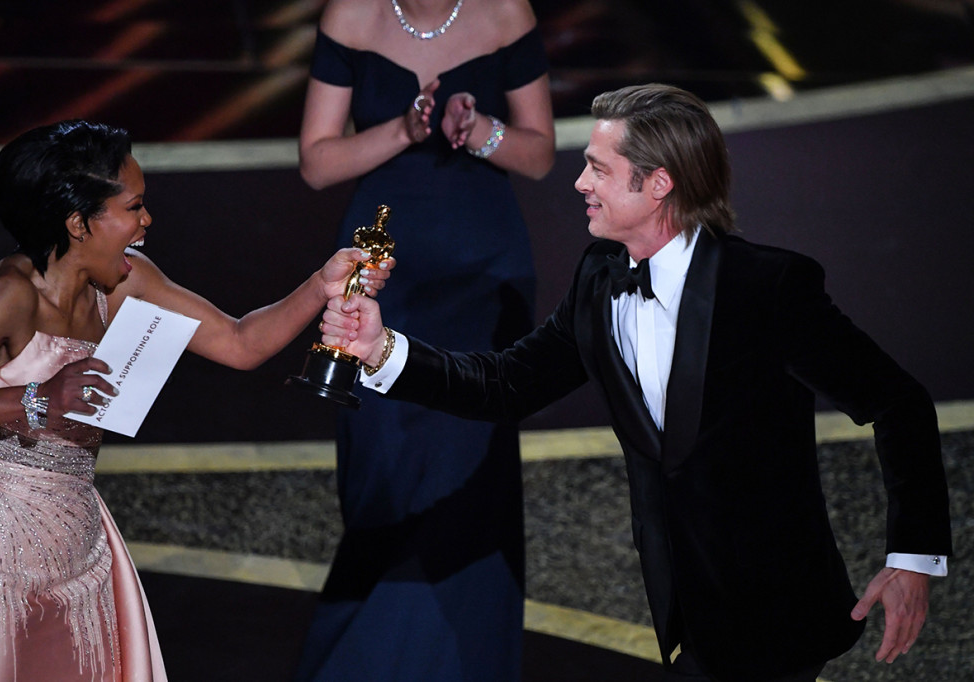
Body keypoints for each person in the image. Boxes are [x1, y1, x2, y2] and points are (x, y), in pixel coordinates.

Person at [318, 84, 953, 682]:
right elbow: (508, 384)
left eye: (598, 168)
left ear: (658, 184)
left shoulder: (767, 289)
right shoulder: (600, 275)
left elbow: (897, 401)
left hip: (775, 612)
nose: (579, 183)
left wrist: (912, 558)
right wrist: (380, 349)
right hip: (686, 612)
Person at [0, 120, 392, 682]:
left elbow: (239, 343)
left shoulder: (125, 283)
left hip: (83, 550)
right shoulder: (4, 296)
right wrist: (38, 399)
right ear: (78, 224)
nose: (147, 221)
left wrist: (322, 285)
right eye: (134, 207)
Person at [294, 0, 555, 678]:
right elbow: (318, 164)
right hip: (383, 272)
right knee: (385, 463)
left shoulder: (506, 13)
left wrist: (483, 131)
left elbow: (540, 154)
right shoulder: (350, 15)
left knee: (469, 463)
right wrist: (406, 131)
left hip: (483, 272)